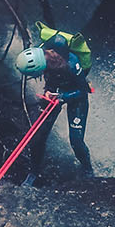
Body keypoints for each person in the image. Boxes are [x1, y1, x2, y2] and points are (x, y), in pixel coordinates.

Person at [15, 26, 92, 184]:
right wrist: (49, 94)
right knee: (38, 136)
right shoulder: (40, 55)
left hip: (76, 97)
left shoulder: (72, 64)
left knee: (76, 141)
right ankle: (34, 172)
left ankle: (88, 169)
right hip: (54, 95)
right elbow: (50, 82)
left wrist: (63, 97)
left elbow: (83, 91)